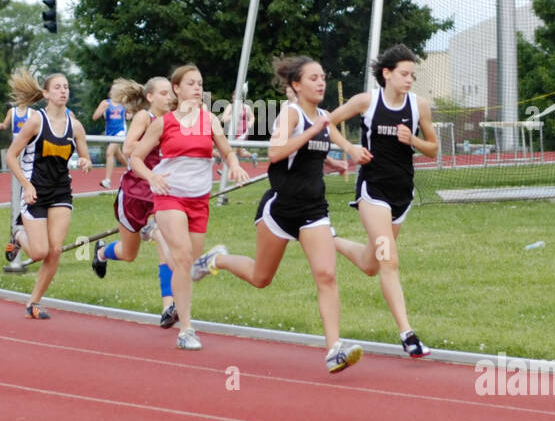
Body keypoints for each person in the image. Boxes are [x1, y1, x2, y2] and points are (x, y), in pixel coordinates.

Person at [200, 57, 369, 373]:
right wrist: (314, 132)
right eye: (313, 78)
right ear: (296, 85)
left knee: (327, 275)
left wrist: (335, 159)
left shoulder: (321, 117)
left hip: (313, 210)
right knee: (260, 278)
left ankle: (334, 348)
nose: (321, 83)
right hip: (279, 210)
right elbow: (276, 153)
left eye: (323, 77)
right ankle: (215, 260)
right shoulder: (290, 114)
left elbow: (323, 143)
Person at [129, 64, 248, 350]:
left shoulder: (210, 121)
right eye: (191, 83)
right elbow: (135, 157)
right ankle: (186, 329)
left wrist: (234, 165)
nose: (197, 88)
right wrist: (152, 176)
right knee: (183, 260)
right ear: (177, 89)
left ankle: (161, 236)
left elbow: (227, 150)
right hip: (170, 196)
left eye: (200, 83)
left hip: (199, 199)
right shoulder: (163, 122)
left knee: (190, 265)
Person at [330, 44, 438, 358]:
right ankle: (408, 335)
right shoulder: (367, 102)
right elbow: (328, 123)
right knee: (389, 261)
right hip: (373, 192)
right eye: (404, 74)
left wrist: (413, 139)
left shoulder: (419, 106)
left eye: (412, 75)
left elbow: (433, 149)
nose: (409, 80)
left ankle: (329, 238)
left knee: (370, 264)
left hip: (402, 193)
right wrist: (350, 149)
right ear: (387, 73)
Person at [91, 77, 180, 326]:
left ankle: (168, 306)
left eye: (170, 93)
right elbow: (129, 149)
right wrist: (153, 143)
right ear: (150, 97)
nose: (169, 97)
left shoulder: (175, 119)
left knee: (164, 242)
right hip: (134, 192)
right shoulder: (144, 117)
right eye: (163, 93)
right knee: (129, 253)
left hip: (160, 191)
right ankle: (102, 252)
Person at [5, 71, 92, 318]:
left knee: (55, 251)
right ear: (46, 94)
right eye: (57, 87)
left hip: (61, 191)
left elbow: (84, 155)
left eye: (66, 87)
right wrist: (27, 185)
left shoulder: (75, 125)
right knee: (39, 252)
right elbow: (12, 156)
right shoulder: (35, 121)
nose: (63, 91)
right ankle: (18, 234)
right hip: (35, 191)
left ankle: (34, 302)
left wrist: (85, 162)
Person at [0, 79, 33, 263]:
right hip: (16, 151)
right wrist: (3, 126)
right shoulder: (12, 112)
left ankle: (21, 231)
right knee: (20, 190)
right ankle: (18, 232)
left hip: (28, 152)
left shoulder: (33, 114)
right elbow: (6, 123)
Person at [92, 91, 130, 190]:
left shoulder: (124, 104)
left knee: (109, 152)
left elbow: (130, 115)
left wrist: (129, 115)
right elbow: (95, 117)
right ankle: (132, 168)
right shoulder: (105, 103)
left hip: (120, 132)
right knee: (119, 156)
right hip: (109, 133)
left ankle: (107, 180)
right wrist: (103, 109)